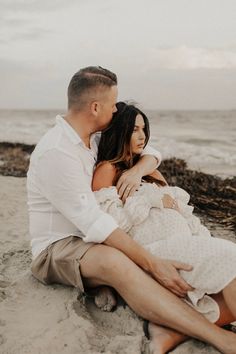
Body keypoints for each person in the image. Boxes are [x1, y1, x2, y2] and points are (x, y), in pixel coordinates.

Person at [27, 67, 236, 354]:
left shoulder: (94, 139)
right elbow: (96, 223)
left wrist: (138, 171)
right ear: (96, 106)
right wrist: (152, 262)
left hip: (91, 234)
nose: (116, 111)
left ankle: (170, 329)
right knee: (117, 263)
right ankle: (218, 338)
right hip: (60, 246)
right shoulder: (58, 153)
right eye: (113, 105)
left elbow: (151, 152)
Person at [92, 101, 236, 353]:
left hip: (185, 242)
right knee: (231, 260)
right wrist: (152, 198)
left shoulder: (149, 170)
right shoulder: (107, 169)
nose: (142, 136)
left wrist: (200, 235)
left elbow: (182, 212)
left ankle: (172, 331)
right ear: (119, 131)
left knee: (225, 282)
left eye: (144, 129)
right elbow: (109, 224)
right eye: (134, 129)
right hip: (152, 251)